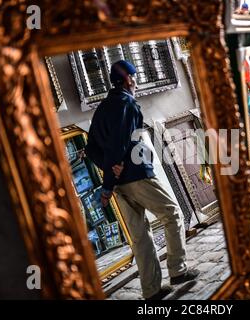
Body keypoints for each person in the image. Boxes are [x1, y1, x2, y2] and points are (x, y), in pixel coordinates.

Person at [85, 60, 199, 300]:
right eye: (134, 77)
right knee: (172, 213)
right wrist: (112, 173)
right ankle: (178, 270)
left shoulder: (103, 108)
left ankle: (152, 290)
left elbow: (91, 149)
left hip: (118, 184)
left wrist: (109, 173)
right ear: (129, 79)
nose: (136, 81)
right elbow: (119, 142)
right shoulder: (127, 103)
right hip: (136, 176)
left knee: (139, 235)